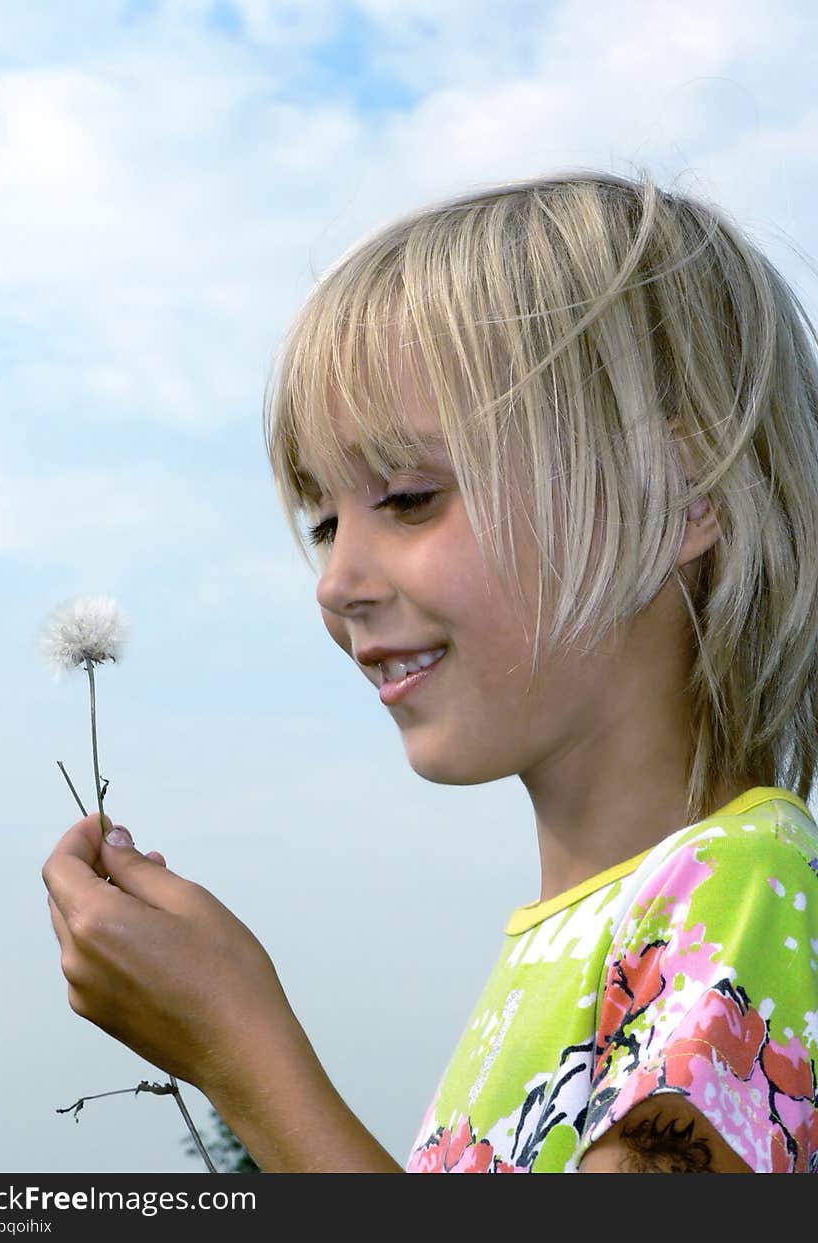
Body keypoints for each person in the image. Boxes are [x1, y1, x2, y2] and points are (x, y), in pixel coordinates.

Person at [42, 168, 818, 1174]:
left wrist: (245, 1057)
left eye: (407, 498)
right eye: (323, 523)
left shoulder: (751, 893)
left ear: (676, 493)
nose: (335, 581)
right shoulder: (578, 943)